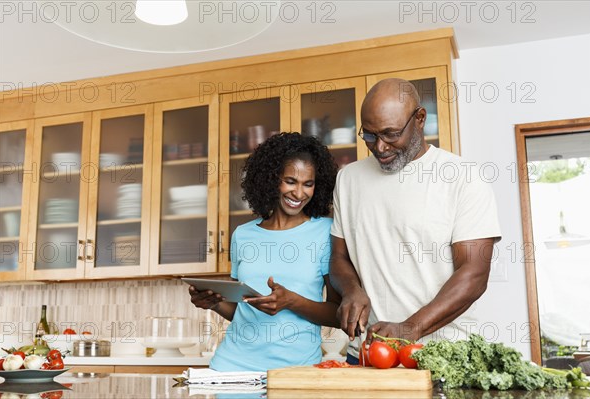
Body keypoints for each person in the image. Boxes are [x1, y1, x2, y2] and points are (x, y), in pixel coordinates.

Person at [329, 78, 501, 365]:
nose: (380, 147)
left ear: (420, 119)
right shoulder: (348, 179)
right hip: (369, 354)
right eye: (370, 135)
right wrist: (351, 290)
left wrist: (410, 328)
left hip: (443, 354)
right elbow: (338, 257)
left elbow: (473, 274)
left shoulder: (463, 178)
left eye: (391, 134)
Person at [189, 132, 341, 371]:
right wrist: (213, 303)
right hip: (232, 366)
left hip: (295, 371)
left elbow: (338, 314)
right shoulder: (243, 234)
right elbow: (243, 309)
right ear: (271, 179)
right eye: (290, 181)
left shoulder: (325, 232)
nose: (299, 193)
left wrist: (291, 301)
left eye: (308, 184)